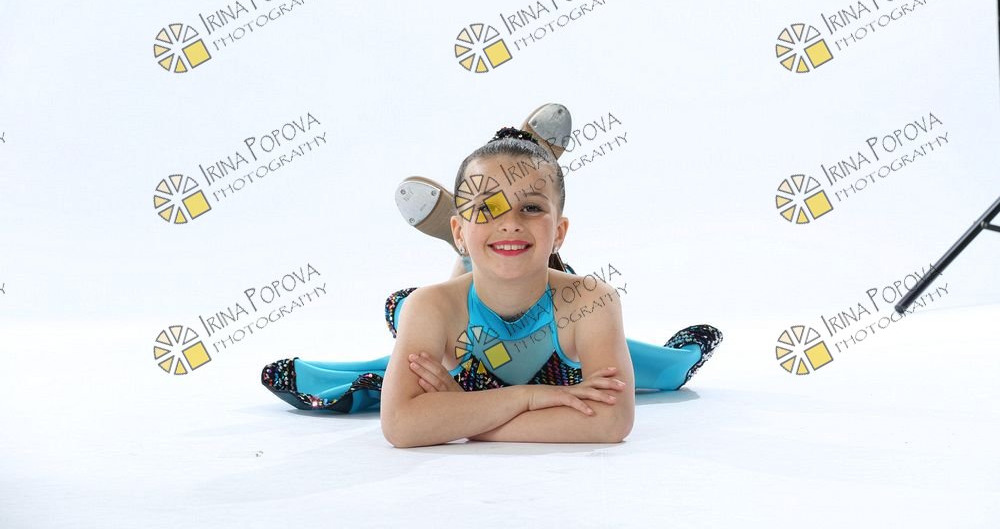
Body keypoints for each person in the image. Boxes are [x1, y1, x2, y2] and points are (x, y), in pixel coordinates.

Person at [261, 109, 723, 447]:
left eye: (531, 207)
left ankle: (489, 219)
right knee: (411, 330)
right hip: (463, 331)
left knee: (667, 370)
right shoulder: (432, 307)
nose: (511, 223)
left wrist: (460, 416)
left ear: (560, 232)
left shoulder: (592, 300)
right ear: (459, 229)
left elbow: (610, 422)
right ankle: (479, 232)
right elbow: (400, 426)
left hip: (552, 316)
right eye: (488, 209)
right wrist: (530, 399)